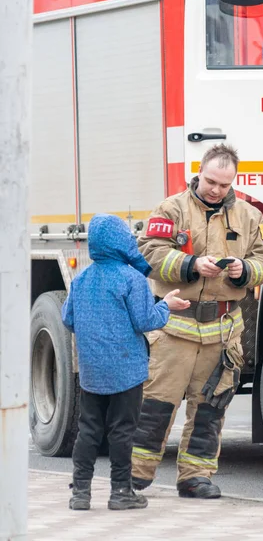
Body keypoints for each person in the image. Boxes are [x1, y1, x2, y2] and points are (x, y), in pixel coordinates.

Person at [131, 143, 263, 499]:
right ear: (200, 172)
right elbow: (148, 252)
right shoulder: (172, 208)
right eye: (211, 181)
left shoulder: (249, 216)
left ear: (234, 183)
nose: (216, 189)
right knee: (156, 405)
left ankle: (195, 477)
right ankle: (134, 475)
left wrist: (245, 271)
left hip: (222, 331)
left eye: (225, 185)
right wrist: (191, 265)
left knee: (210, 410)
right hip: (174, 328)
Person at [61, 213, 189, 511]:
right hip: (126, 371)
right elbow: (145, 320)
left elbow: (68, 319)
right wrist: (166, 306)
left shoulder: (82, 279)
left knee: (89, 430)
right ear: (123, 242)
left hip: (92, 372)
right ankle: (121, 492)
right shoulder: (132, 278)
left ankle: (80, 492)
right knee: (122, 431)